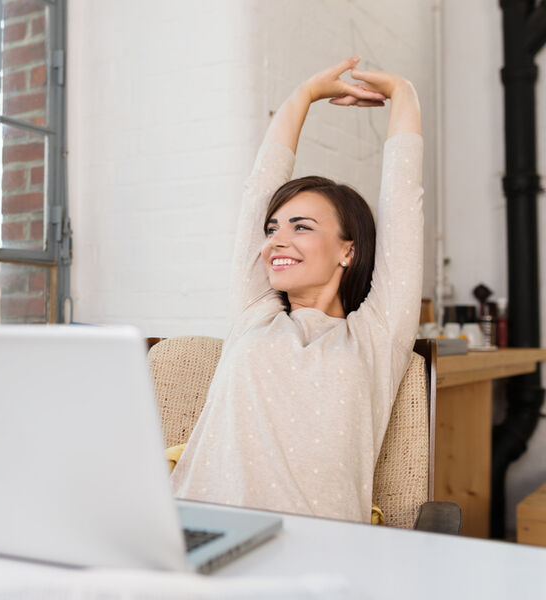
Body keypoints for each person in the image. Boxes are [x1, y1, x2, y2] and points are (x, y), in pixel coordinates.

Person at [170, 57, 423, 523]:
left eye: (301, 227)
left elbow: (404, 207)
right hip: (200, 531)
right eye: (272, 229)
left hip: (319, 552)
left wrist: (403, 94)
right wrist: (302, 96)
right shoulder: (254, 313)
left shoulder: (375, 337)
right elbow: (257, 192)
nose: (276, 241)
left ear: (348, 250)